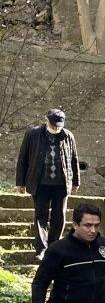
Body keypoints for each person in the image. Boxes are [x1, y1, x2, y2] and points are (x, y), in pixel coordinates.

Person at [15, 109, 80, 261]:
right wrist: (20, 182)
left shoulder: (68, 136)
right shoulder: (33, 134)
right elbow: (23, 158)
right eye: (54, 124)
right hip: (39, 183)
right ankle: (41, 249)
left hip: (61, 184)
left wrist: (75, 182)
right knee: (40, 216)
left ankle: (54, 248)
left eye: (59, 125)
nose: (56, 128)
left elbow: (74, 159)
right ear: (46, 120)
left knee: (59, 216)